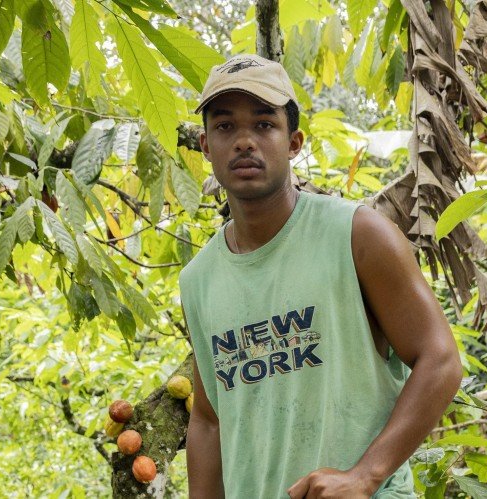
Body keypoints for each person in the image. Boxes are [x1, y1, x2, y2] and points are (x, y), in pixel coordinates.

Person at [179, 53, 462, 499]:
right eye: (225, 126)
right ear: (205, 146)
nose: (244, 141)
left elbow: (440, 359)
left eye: (264, 124)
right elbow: (209, 419)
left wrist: (366, 475)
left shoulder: (357, 235)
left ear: (294, 142)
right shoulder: (198, 280)